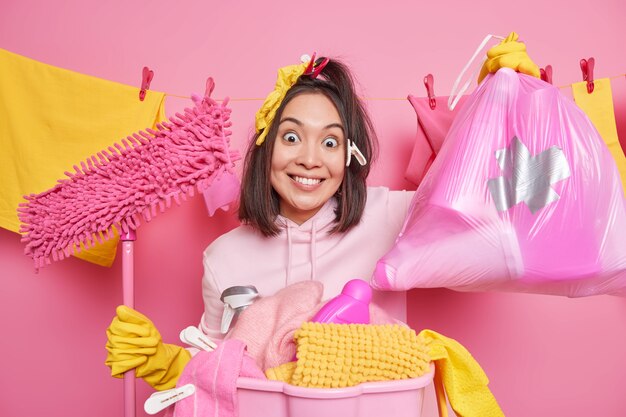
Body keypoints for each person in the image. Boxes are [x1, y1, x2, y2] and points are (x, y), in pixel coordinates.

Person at [105, 54, 413, 391]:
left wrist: (482, 112)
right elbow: (213, 368)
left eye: (329, 142)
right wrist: (164, 364)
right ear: (266, 146)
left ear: (349, 155)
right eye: (291, 138)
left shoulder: (392, 216)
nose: (309, 160)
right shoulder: (224, 258)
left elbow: (478, 240)